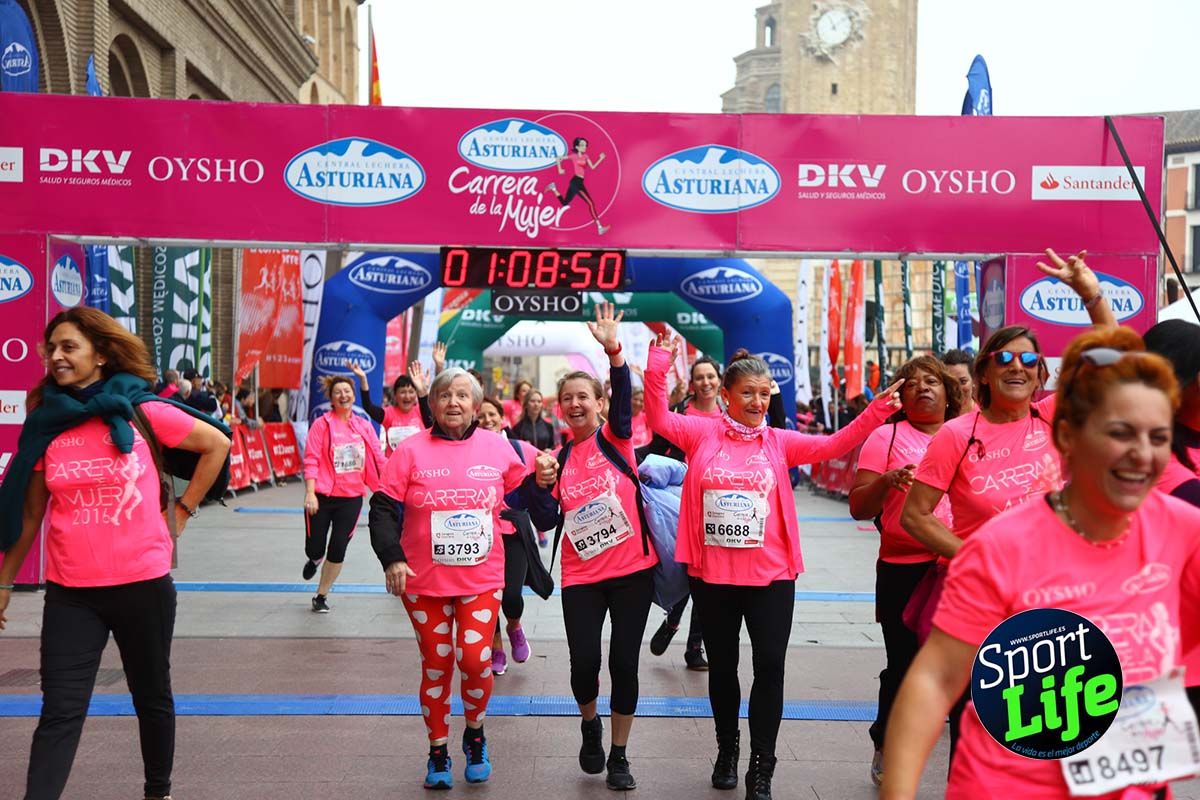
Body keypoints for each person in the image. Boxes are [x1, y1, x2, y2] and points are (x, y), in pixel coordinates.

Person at [882, 326, 1200, 800]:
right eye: (1120, 433)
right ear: (1068, 437)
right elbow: (934, 679)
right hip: (1007, 787)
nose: (1142, 454)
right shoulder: (999, 548)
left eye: (1158, 436)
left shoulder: (1183, 530)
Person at [643, 334, 901, 800]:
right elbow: (657, 416)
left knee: (770, 670)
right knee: (723, 669)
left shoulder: (779, 441)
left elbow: (834, 444)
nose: (758, 401)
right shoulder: (701, 433)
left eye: (765, 394)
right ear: (725, 395)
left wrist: (877, 410)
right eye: (748, 393)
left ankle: (762, 765)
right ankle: (727, 748)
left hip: (771, 576)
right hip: (714, 575)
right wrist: (657, 362)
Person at [0, 307, 231, 800]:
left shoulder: (141, 411)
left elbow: (217, 444)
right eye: (52, 349)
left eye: (69, 347)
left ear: (101, 355)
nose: (56, 357)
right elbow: (30, 515)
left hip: (143, 585)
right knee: (60, 709)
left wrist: (185, 512)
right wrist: (4, 583)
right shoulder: (48, 423)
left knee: (151, 697)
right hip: (71, 594)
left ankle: (158, 791)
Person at [900, 248, 1115, 759]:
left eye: (1028, 360)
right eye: (1004, 358)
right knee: (978, 724)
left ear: (1042, 373)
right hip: (982, 599)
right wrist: (975, 557)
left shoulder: (1056, 418)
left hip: (1053, 596)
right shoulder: (956, 434)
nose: (1016, 367)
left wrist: (1089, 294)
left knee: (1049, 725)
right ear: (984, 372)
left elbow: (1115, 356)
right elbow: (915, 514)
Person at [368, 368, 558, 789]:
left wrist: (543, 482)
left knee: (473, 660)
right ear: (431, 405)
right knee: (436, 665)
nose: (453, 402)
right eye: (444, 396)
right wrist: (392, 558)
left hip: (481, 578)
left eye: (462, 395)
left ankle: (475, 734)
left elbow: (526, 498)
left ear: (476, 405)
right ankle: (438, 750)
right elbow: (381, 508)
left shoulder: (499, 448)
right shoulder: (410, 451)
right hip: (423, 582)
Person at [526, 303, 657, 791]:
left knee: (624, 662)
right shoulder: (558, 459)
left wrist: (614, 352)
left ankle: (620, 754)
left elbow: (624, 394)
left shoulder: (616, 438)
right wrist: (541, 487)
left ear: (599, 403)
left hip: (631, 572)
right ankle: (589, 724)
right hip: (581, 577)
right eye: (568, 398)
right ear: (559, 407)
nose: (576, 404)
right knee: (584, 664)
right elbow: (542, 521)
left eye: (584, 396)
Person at [847, 355, 963, 786]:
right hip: (903, 569)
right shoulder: (886, 436)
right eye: (911, 384)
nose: (922, 389)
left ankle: (964, 767)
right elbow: (859, 506)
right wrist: (886, 481)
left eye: (932, 381)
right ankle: (887, 740)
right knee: (904, 665)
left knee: (966, 669)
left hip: (957, 568)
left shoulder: (967, 434)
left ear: (948, 391)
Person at [641, 354, 725, 670]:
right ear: (692, 383)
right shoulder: (678, 414)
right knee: (686, 572)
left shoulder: (731, 416)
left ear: (719, 381)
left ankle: (693, 647)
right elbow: (652, 450)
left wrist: (774, 395)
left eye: (711, 376)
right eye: (699, 377)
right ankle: (674, 619)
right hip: (681, 506)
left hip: (720, 506)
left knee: (708, 579)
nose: (705, 382)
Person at [301, 374, 386, 612]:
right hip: (321, 496)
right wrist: (310, 493)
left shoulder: (363, 426)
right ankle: (315, 558)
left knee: (338, 547)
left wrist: (387, 485)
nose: (343, 395)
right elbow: (311, 459)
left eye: (347, 391)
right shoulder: (322, 424)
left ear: (353, 395)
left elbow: (378, 458)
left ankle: (321, 595)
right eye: (338, 392)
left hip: (351, 498)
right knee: (315, 546)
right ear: (331, 398)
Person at [476, 396, 538, 676]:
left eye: (492, 415)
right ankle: (496, 645)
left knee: (511, 594)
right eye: (481, 417)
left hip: (514, 531)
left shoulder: (519, 448)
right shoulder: (468, 449)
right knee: (488, 595)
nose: (487, 420)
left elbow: (549, 467)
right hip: (479, 533)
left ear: (502, 417)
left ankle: (514, 625)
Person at [348, 354, 436, 456]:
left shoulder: (422, 411)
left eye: (411, 392)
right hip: (394, 467)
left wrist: (423, 391)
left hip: (417, 466)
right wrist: (363, 379)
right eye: (403, 392)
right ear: (395, 395)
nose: (407, 396)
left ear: (416, 394)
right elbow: (368, 407)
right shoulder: (388, 413)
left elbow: (432, 425)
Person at [546, 137, 610, 235]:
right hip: (576, 182)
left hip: (578, 182)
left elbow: (592, 167)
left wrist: (600, 159)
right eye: (582, 145)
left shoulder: (586, 156)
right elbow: (558, 158)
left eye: (585, 145)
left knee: (564, 203)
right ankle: (599, 227)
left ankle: (553, 188)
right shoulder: (574, 156)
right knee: (591, 204)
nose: (585, 147)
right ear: (577, 147)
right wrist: (559, 169)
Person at [940, 349, 976, 414]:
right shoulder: (938, 417)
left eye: (963, 382)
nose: (957, 388)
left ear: (973, 380)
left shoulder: (986, 415)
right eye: (950, 382)